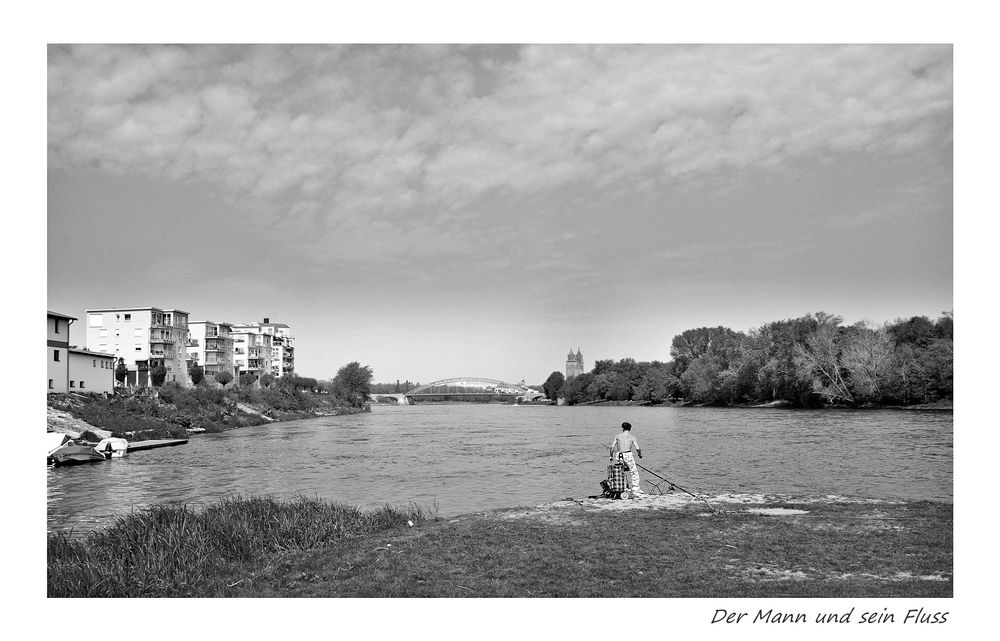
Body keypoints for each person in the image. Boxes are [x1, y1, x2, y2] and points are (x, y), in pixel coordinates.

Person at [610, 421, 643, 496]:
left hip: (619, 454)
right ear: (630, 429)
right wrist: (639, 455)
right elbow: (637, 448)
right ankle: (635, 489)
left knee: (621, 471)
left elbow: (612, 447)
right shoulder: (632, 437)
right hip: (628, 454)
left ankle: (623, 488)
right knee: (634, 472)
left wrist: (611, 456)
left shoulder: (617, 436)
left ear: (622, 428)